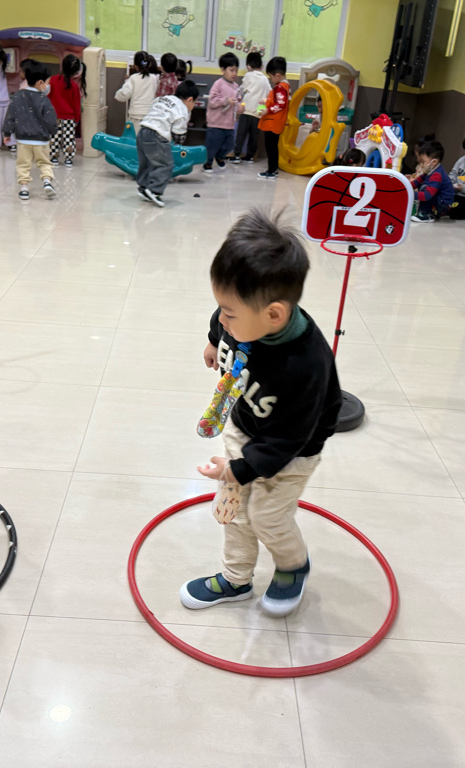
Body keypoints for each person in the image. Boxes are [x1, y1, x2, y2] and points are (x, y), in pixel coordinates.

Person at [181, 209, 342, 617]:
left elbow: (289, 438)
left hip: (291, 450)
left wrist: (241, 469)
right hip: (245, 423)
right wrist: (214, 339)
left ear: (274, 315)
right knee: (235, 510)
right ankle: (235, 579)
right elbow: (222, 316)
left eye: (229, 314)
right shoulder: (241, 318)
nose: (222, 318)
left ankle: (292, 565)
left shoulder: (304, 366)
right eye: (220, 308)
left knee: (267, 516)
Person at [136, 80, 198, 208]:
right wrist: (178, 141)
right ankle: (155, 190)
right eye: (195, 103)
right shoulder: (182, 111)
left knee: (146, 162)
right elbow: (179, 134)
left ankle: (143, 187)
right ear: (190, 100)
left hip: (142, 131)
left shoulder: (163, 98)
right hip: (157, 136)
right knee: (165, 164)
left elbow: (154, 109)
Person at [2, 61, 58, 201]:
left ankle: (24, 189)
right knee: (44, 163)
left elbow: (11, 115)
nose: (47, 86)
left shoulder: (17, 96)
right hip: (41, 140)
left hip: (23, 140)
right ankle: (47, 182)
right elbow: (51, 119)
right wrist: (53, 131)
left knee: (23, 164)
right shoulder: (44, 99)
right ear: (40, 83)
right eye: (47, 82)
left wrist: (7, 132)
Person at [203, 53, 239, 173]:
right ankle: (207, 163)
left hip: (229, 124)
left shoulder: (236, 86)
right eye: (231, 70)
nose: (234, 73)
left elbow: (238, 102)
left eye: (236, 70)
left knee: (230, 145)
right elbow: (212, 101)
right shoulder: (218, 84)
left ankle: (220, 156)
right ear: (223, 70)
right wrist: (225, 101)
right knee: (212, 145)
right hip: (216, 123)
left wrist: (240, 108)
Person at [232, 51, 269, 164]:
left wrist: (238, 100)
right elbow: (269, 93)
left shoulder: (248, 75)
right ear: (261, 66)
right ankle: (250, 157)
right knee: (254, 136)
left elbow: (241, 90)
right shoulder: (265, 79)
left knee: (241, 134)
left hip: (246, 110)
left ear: (248, 66)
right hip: (258, 112)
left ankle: (237, 155)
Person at [48, 53, 85, 167]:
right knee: (69, 139)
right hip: (69, 118)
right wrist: (77, 119)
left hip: (54, 117)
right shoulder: (74, 86)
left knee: (54, 138)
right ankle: (68, 158)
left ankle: (54, 157)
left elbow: (47, 97)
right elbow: (76, 105)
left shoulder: (53, 80)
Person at [257, 56, 290, 180]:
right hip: (276, 122)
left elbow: (280, 104)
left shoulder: (280, 87)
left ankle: (271, 170)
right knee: (273, 147)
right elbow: (278, 101)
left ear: (277, 75)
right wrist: (266, 101)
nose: (271, 80)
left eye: (271, 77)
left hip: (273, 122)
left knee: (270, 147)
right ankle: (273, 169)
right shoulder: (285, 87)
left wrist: (267, 110)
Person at [410, 137, 454, 222]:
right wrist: (405, 187)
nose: (421, 164)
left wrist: (410, 194)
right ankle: (424, 211)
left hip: (443, 205)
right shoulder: (429, 171)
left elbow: (427, 195)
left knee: (425, 188)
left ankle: (427, 215)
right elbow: (416, 182)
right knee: (423, 186)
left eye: (423, 161)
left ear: (434, 162)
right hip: (438, 201)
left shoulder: (437, 175)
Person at [114, 51, 159, 134]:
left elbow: (123, 95)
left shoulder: (133, 78)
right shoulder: (154, 79)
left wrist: (124, 84)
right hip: (150, 116)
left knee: (134, 139)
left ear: (135, 66)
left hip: (135, 116)